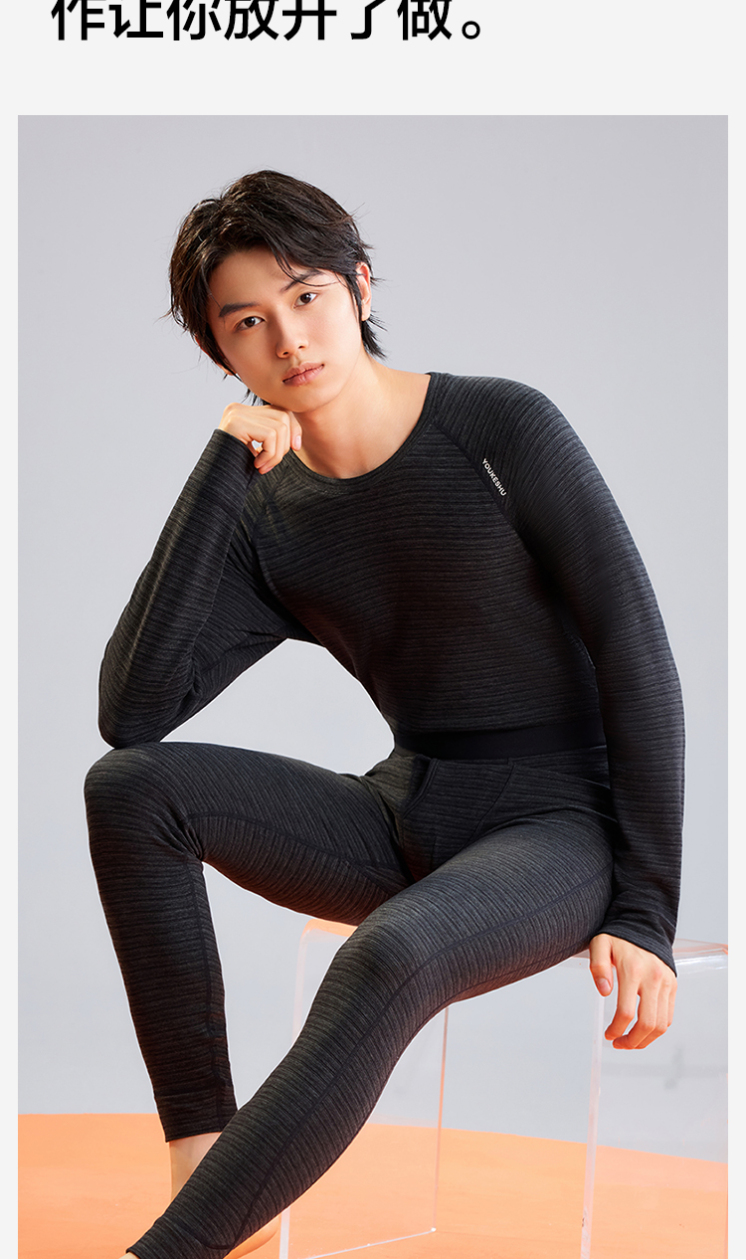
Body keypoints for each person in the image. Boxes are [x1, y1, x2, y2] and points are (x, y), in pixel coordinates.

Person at [85, 169, 683, 1260]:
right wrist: (222, 469)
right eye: (246, 323)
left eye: (306, 296)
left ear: (359, 287)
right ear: (222, 353)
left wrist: (647, 911)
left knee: (382, 956)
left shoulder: (499, 426)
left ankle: (174, 1250)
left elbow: (636, 654)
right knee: (129, 792)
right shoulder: (266, 510)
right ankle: (204, 1171)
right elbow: (133, 714)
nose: (288, 339)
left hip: (561, 830)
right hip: (410, 810)